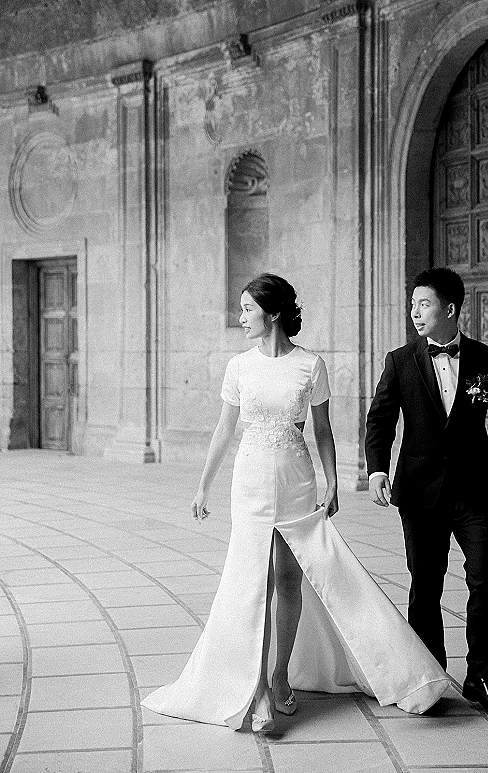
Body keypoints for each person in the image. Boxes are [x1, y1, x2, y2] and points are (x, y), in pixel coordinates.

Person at [142, 273, 449, 733]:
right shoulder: (239, 367)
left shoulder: (310, 365)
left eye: (248, 309)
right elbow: (225, 430)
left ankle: (280, 674)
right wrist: (202, 486)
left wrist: (333, 482)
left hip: (297, 478)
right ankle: (255, 690)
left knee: (291, 577)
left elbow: (322, 431)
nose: (241, 317)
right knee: (254, 581)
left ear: (274, 314)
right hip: (249, 481)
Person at [365, 267, 488, 719]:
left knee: (486, 579)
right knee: (425, 584)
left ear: (451, 309)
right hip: (420, 492)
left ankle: (481, 678)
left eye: (424, 304)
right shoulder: (399, 361)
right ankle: (429, 677)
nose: (415, 312)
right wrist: (377, 468)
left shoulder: (486, 359)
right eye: (413, 304)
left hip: (475, 490)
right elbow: (380, 419)